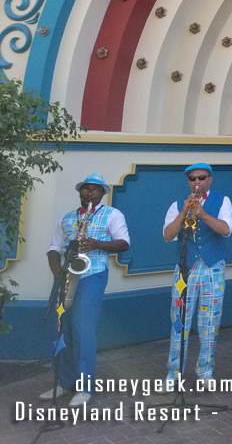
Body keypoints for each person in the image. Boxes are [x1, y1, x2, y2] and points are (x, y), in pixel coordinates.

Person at [40, 174, 130, 407]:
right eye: (85, 189)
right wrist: (56, 272)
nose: (89, 193)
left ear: (102, 193)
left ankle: (84, 387)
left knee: (83, 330)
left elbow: (124, 243)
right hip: (67, 276)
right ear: (80, 192)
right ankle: (63, 381)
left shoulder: (113, 214)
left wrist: (96, 243)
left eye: (95, 190)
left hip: (93, 275)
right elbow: (53, 248)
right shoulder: (68, 217)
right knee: (63, 329)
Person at [162, 162, 232, 381]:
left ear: (210, 179)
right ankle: (174, 374)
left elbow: (226, 230)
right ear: (188, 182)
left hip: (213, 268)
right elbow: (167, 235)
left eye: (202, 178)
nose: (197, 182)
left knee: (210, 322)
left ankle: (205, 372)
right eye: (193, 179)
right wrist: (184, 211)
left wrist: (202, 214)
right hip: (186, 269)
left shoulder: (223, 201)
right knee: (179, 321)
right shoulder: (177, 204)